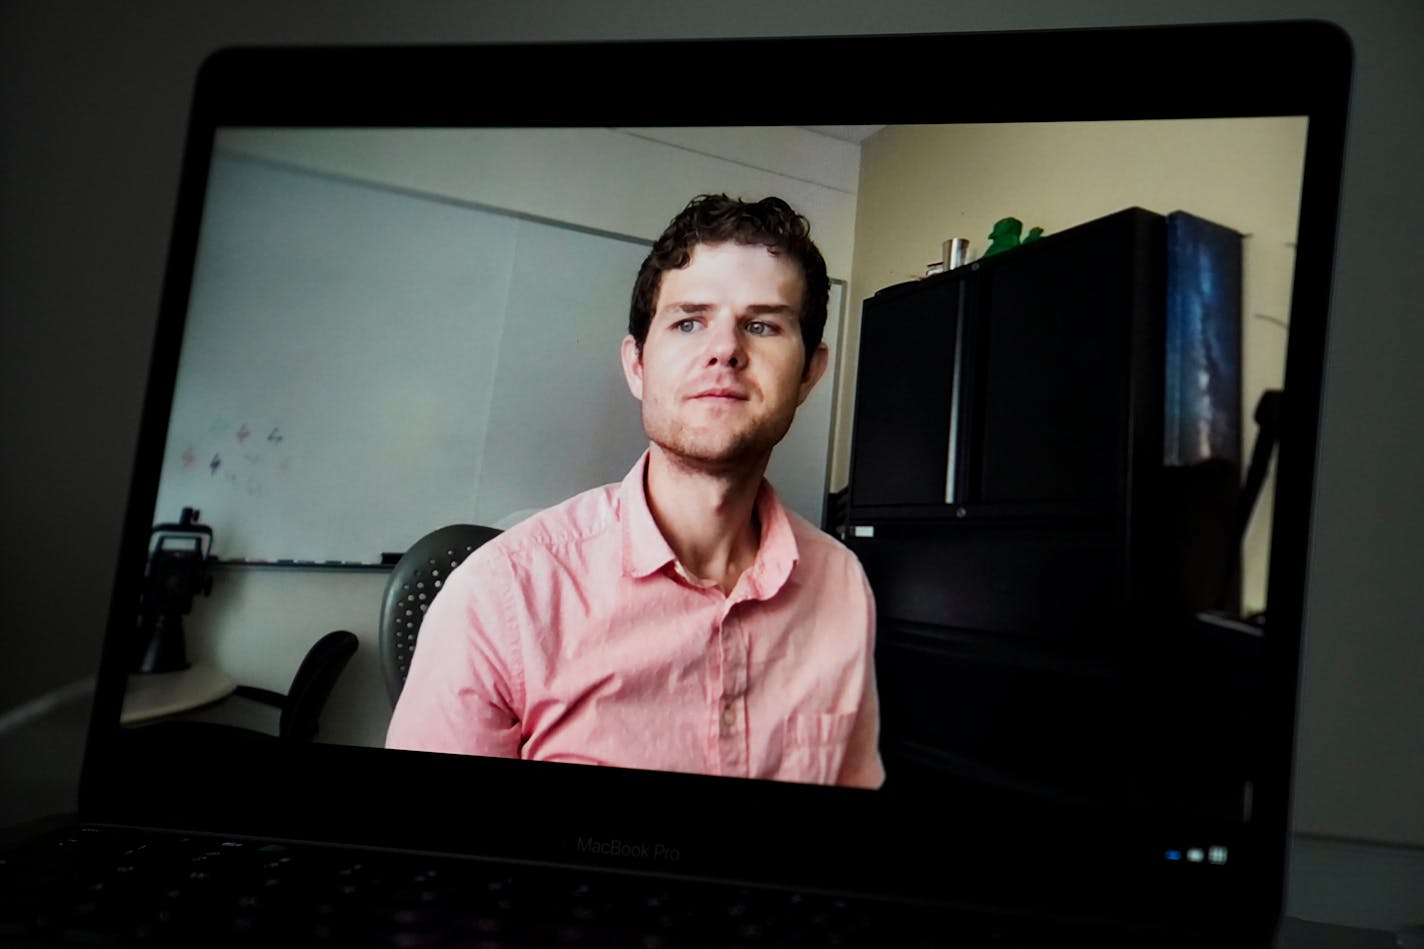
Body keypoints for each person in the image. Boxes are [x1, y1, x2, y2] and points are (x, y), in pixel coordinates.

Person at [386, 194, 883, 788]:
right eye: (688, 321)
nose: (724, 350)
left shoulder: (844, 587)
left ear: (809, 374)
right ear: (637, 365)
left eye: (761, 324)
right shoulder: (499, 596)